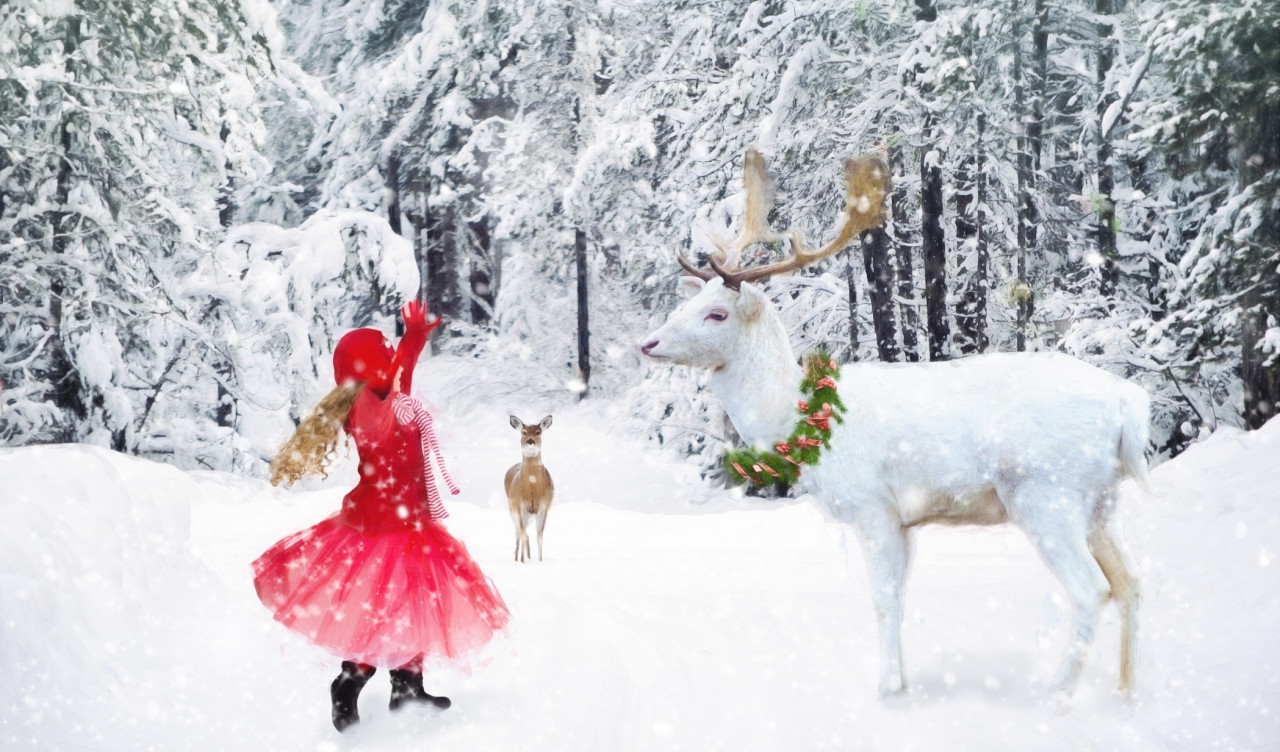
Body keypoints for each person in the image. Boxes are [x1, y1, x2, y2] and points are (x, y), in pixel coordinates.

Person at [253, 301, 509, 732]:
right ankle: (350, 683)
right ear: (369, 368)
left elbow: (399, 378)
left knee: (414, 605)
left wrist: (411, 341)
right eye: (384, 351)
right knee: (385, 611)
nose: (391, 357)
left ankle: (408, 688)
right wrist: (406, 346)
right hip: (384, 528)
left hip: (406, 521)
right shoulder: (371, 410)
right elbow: (395, 384)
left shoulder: (382, 395)